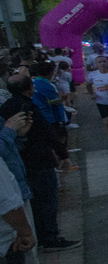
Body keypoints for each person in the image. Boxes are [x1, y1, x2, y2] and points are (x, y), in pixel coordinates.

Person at [1, 75, 77, 252]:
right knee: (47, 200)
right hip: (38, 161)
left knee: (36, 203)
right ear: (30, 89)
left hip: (22, 163)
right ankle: (50, 238)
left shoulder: (6, 107)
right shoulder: (27, 107)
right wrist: (62, 154)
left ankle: (42, 235)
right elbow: (46, 132)